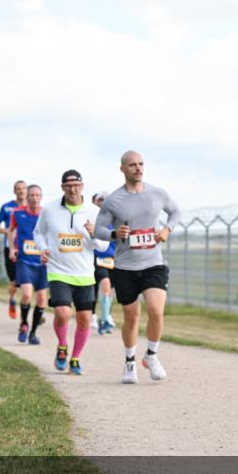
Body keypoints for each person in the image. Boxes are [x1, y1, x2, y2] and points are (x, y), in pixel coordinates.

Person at [95, 152, 179, 383]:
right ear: (122, 169)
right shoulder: (114, 200)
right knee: (131, 317)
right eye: (132, 165)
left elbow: (175, 212)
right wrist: (114, 233)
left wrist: (166, 230)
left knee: (156, 310)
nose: (138, 168)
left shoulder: (157, 193)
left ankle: (151, 355)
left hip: (153, 263)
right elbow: (98, 229)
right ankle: (130, 362)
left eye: (141, 164)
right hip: (124, 266)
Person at [33, 170, 110, 375]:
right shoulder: (49, 210)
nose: (73, 189)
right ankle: (62, 345)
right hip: (58, 271)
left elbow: (102, 246)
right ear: (62, 187)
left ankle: (75, 358)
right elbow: (38, 233)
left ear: (82, 186)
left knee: (84, 319)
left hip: (85, 273)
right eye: (68, 185)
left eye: (76, 185)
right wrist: (43, 249)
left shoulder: (94, 212)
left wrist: (94, 234)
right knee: (63, 313)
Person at [9, 185, 48, 344]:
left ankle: (33, 332)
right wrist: (12, 248)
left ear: (41, 197)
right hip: (24, 260)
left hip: (42, 262)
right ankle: (24, 323)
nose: (34, 198)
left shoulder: (47, 214)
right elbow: (10, 231)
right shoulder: (18, 213)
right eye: (31, 195)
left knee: (41, 297)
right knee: (26, 294)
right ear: (27, 197)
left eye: (37, 195)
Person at [0, 181, 29, 320]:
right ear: (14, 191)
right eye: (18, 189)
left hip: (28, 248)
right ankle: (12, 299)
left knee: (27, 282)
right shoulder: (6, 207)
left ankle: (25, 314)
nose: (21, 191)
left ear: (27, 190)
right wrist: (10, 231)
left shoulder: (32, 206)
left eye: (23, 188)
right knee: (14, 282)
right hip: (10, 247)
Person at [90, 191, 117, 335]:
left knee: (109, 290)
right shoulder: (91, 218)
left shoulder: (116, 218)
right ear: (94, 202)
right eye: (100, 199)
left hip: (113, 259)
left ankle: (105, 316)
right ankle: (102, 318)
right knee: (103, 285)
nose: (103, 202)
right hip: (96, 258)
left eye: (106, 199)